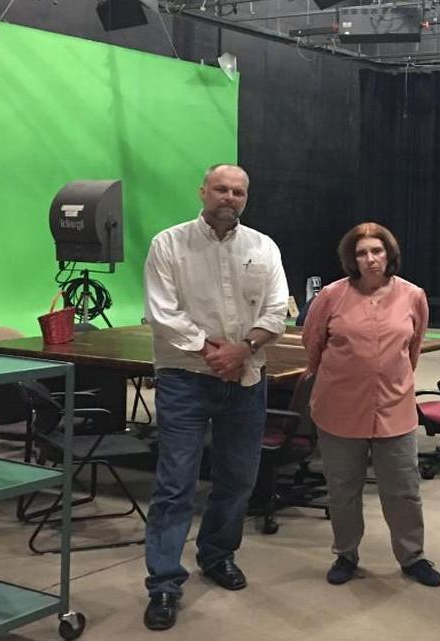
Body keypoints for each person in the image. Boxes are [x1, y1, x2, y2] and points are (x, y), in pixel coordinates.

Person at [142, 164, 288, 631]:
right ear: (203, 191)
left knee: (238, 478)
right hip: (184, 378)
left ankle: (217, 554)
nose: (229, 197)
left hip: (246, 378)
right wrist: (213, 352)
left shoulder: (263, 247)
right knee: (175, 484)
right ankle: (164, 582)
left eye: (238, 192)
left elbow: (277, 310)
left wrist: (242, 350)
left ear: (246, 198)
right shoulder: (168, 244)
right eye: (221, 189)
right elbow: (162, 312)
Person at [301, 222, 440, 588]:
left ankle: (412, 556)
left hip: (395, 408)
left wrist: (389, 377)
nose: (370, 259)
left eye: (376, 251)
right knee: (342, 488)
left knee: (403, 489)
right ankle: (346, 554)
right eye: (361, 253)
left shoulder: (413, 295)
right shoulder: (331, 296)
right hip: (339, 408)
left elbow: (413, 349)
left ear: (388, 254)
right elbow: (312, 344)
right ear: (352, 258)